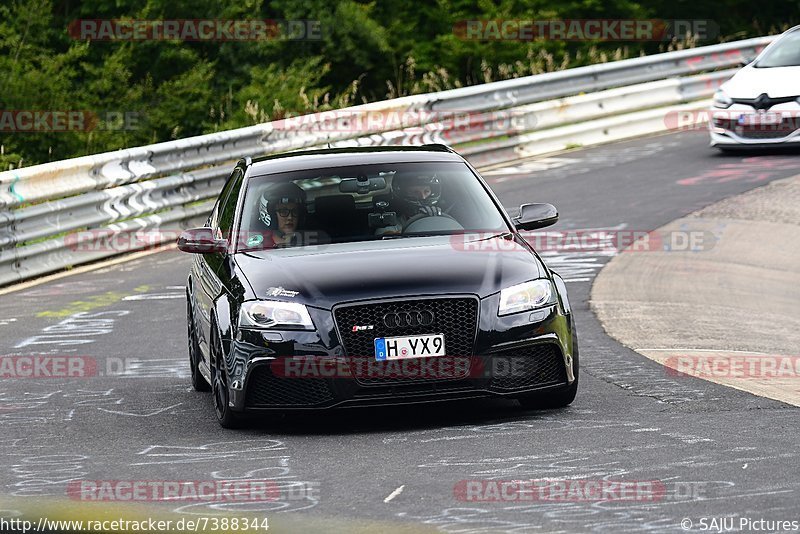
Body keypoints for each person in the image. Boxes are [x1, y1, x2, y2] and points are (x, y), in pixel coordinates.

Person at [255, 182, 307, 247]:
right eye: (283, 211)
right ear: (271, 214)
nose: (290, 217)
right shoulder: (258, 246)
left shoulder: (312, 242)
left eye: (295, 211)